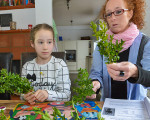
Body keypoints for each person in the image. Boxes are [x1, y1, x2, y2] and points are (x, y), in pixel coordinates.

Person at [87, 0, 150, 101]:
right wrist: (95, 83)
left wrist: (136, 72)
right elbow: (96, 74)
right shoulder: (101, 46)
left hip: (135, 110)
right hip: (108, 108)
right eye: (108, 14)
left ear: (130, 13)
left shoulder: (145, 43)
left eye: (118, 11)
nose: (112, 18)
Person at [21, 23, 71, 105]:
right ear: (32, 43)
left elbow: (66, 95)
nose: (45, 47)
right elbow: (22, 94)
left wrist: (48, 94)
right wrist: (25, 96)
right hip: (33, 110)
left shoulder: (60, 65)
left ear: (53, 43)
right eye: (40, 42)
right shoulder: (27, 67)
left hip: (55, 110)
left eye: (49, 42)